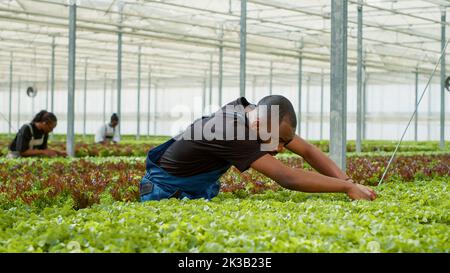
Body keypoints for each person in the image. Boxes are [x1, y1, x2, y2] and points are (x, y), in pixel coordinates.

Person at [139, 95, 377, 202]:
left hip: (193, 188)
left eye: (285, 141)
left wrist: (350, 181)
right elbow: (287, 177)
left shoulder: (261, 119)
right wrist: (346, 187)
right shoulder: (232, 131)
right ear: (259, 124)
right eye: (280, 141)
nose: (283, 148)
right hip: (165, 191)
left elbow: (307, 151)